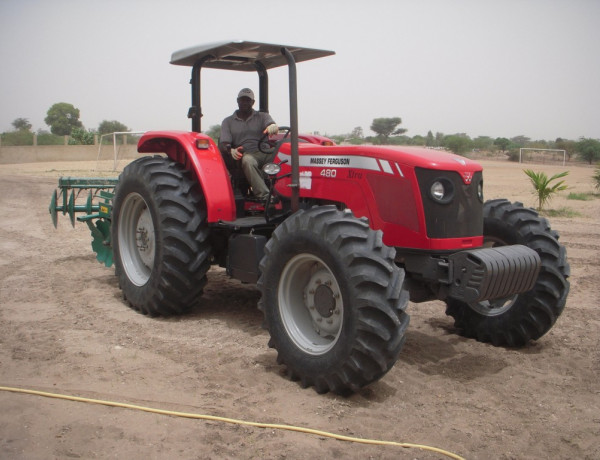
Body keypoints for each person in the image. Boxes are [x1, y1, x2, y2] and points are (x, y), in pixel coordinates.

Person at [219, 88, 279, 201]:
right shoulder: (228, 121)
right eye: (242, 100)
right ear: (237, 101)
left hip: (265, 152)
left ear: (253, 102)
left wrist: (272, 126)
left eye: (248, 100)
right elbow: (223, 143)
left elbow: (270, 124)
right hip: (247, 153)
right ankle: (266, 197)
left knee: (285, 157)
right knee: (247, 161)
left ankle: (288, 193)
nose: (245, 103)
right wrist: (230, 150)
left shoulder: (262, 116)